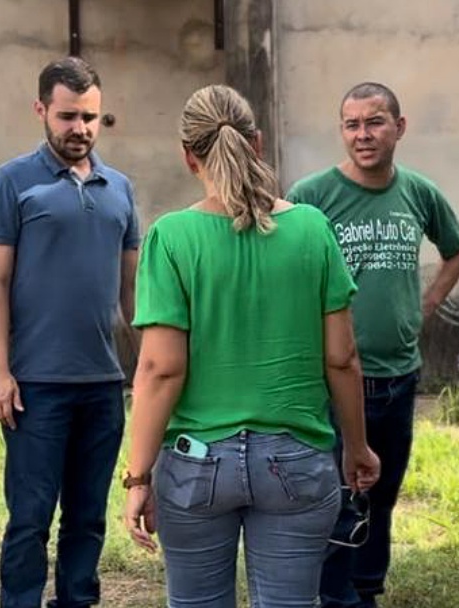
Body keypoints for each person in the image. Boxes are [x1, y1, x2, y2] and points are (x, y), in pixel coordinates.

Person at [122, 84, 380, 608]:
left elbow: (159, 369)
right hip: (297, 460)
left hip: (195, 465)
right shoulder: (311, 228)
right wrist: (356, 446)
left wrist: (138, 475)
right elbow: (342, 358)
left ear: (188, 156)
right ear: (257, 144)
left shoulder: (171, 238)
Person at [287, 82, 459, 608]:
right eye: (352, 124)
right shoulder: (311, 196)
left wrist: (426, 304)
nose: (363, 135)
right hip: (334, 379)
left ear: (399, 127)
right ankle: (330, 594)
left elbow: (456, 251)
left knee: (381, 495)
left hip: (399, 375)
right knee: (336, 498)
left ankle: (366, 591)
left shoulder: (418, 192)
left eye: (375, 122)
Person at [0, 57, 140, 608]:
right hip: (35, 386)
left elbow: (131, 294)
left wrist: (147, 367)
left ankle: (77, 599)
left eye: (91, 117)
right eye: (68, 116)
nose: (80, 129)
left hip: (102, 384)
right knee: (29, 518)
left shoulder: (120, 187)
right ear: (42, 110)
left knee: (88, 515)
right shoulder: (13, 181)